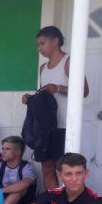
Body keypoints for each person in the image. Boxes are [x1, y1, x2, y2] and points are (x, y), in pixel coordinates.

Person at [22, 26, 89, 191]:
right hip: (45, 128)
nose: (39, 49)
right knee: (47, 167)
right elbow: (44, 96)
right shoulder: (42, 68)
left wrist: (58, 88)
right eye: (38, 45)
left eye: (42, 44)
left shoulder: (69, 62)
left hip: (64, 125)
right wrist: (30, 98)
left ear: (56, 41)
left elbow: (84, 91)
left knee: (67, 169)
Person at [0, 136, 37, 204]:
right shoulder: (0, 166)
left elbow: (24, 184)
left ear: (18, 152)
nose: (3, 152)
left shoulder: (27, 167)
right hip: (2, 200)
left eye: (7, 149)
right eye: (3, 148)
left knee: (19, 190)